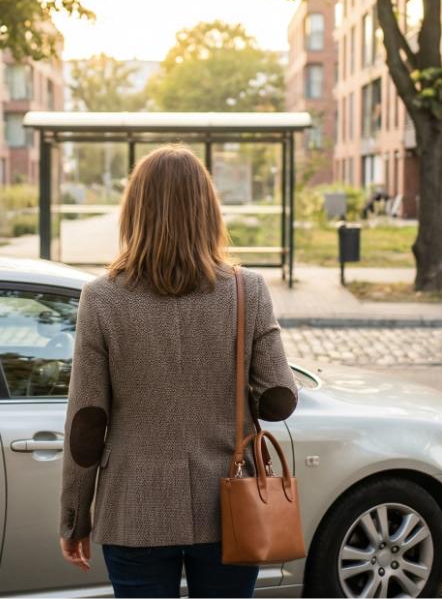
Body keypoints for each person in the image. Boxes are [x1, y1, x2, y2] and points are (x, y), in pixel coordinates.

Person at [57, 145, 300, 598]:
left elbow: (86, 421)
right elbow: (280, 398)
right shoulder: (248, 290)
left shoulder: (102, 298)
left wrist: (75, 516)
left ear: (134, 212)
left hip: (133, 507)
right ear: (209, 210)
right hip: (230, 505)